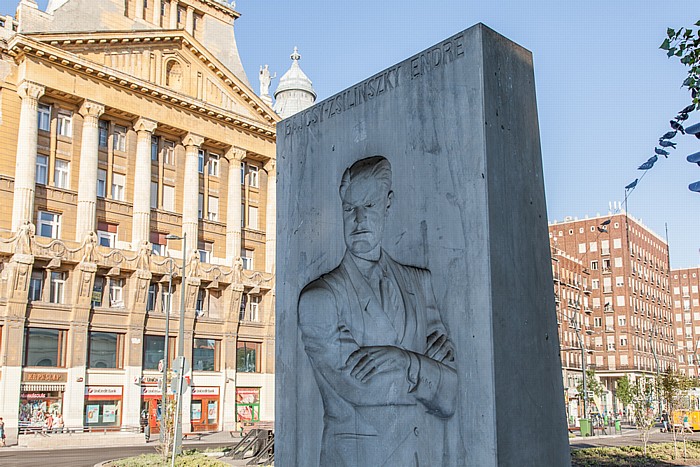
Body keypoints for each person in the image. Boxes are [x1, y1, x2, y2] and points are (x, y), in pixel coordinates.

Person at [298, 156, 458, 466]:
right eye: (349, 209)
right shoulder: (319, 298)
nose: (358, 220)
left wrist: (403, 360)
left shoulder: (418, 282)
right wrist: (427, 366)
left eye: (369, 206)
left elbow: (450, 393)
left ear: (388, 203)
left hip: (421, 457)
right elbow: (365, 389)